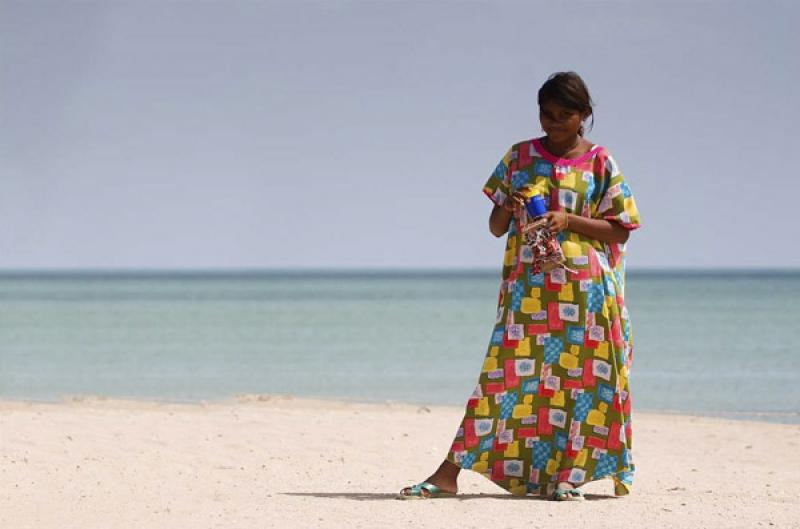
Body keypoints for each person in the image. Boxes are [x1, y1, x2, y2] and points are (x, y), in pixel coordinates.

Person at [398, 71, 641, 501]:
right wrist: (509, 206)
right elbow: (495, 229)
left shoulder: (600, 161)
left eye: (564, 115)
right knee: (503, 379)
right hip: (528, 292)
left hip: (585, 293)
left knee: (582, 384)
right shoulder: (518, 157)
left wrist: (567, 220)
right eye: (546, 114)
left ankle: (569, 477)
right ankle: (448, 474)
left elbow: (620, 230)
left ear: (584, 115)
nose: (553, 123)